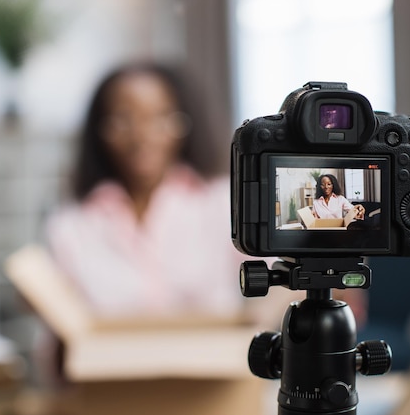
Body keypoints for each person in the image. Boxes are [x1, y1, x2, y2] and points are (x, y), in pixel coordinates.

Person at [44, 62, 256, 320]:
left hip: (210, 358)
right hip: (113, 360)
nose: (142, 135)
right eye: (123, 119)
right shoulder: (73, 223)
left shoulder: (224, 203)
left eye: (161, 117)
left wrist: (261, 314)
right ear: (99, 131)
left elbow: (288, 274)